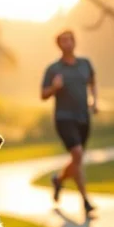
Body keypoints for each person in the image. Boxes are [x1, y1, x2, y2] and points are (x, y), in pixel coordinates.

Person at [40, 29, 97, 215]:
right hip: (64, 118)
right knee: (78, 154)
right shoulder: (53, 69)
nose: (67, 43)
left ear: (74, 42)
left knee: (76, 160)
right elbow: (43, 95)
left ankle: (58, 180)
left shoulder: (85, 64)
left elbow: (92, 81)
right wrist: (54, 88)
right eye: (63, 41)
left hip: (83, 117)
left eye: (70, 40)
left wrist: (94, 101)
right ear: (59, 45)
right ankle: (85, 201)